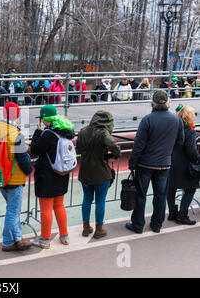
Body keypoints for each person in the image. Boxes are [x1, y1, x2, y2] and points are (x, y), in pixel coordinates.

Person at [126, 90, 184, 234]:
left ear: (152, 102)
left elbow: (138, 145)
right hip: (164, 163)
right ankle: (157, 224)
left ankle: (138, 225)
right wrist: (167, 152)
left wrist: (133, 162)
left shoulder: (147, 119)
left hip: (145, 163)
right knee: (160, 196)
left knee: (141, 195)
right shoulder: (176, 120)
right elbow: (180, 141)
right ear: (168, 102)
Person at [30, 105, 74, 248]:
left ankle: (45, 239)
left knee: (46, 208)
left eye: (42, 119)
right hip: (62, 172)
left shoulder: (48, 134)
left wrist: (37, 132)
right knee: (59, 205)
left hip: (47, 174)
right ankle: (64, 235)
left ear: (45, 119)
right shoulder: (65, 130)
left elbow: (35, 149)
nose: (41, 121)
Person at [0, 102, 32, 251]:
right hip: (14, 177)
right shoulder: (17, 135)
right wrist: (29, 169)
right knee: (13, 211)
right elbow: (23, 160)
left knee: (12, 209)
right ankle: (8, 241)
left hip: (1, 176)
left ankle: (18, 237)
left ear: (4, 114)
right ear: (17, 115)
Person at [76, 111, 121, 238]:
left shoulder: (83, 131)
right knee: (100, 201)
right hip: (101, 173)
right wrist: (116, 154)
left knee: (87, 199)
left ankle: (86, 228)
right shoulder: (103, 133)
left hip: (85, 171)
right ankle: (99, 229)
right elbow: (114, 145)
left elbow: (78, 149)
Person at [166, 105, 199, 225]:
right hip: (185, 164)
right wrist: (198, 158)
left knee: (171, 188)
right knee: (190, 188)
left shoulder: (172, 128)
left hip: (170, 161)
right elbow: (191, 151)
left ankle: (172, 213)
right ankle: (182, 215)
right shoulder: (190, 131)